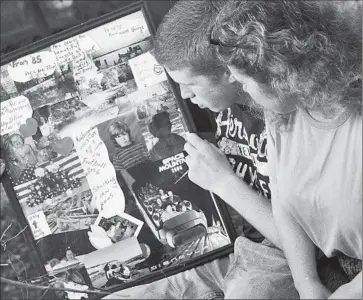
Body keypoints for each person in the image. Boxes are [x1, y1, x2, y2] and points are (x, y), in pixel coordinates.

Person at [106, 1, 296, 299]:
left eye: (190, 84)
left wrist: (223, 183)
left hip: (278, 254)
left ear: (229, 70)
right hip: (227, 242)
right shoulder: (225, 104)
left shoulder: (283, 115)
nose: (184, 95)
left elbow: (306, 242)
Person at [207, 1, 361, 299]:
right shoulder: (282, 112)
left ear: (280, 75)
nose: (245, 92)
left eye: (243, 82)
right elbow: (283, 205)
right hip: (333, 267)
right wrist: (307, 284)